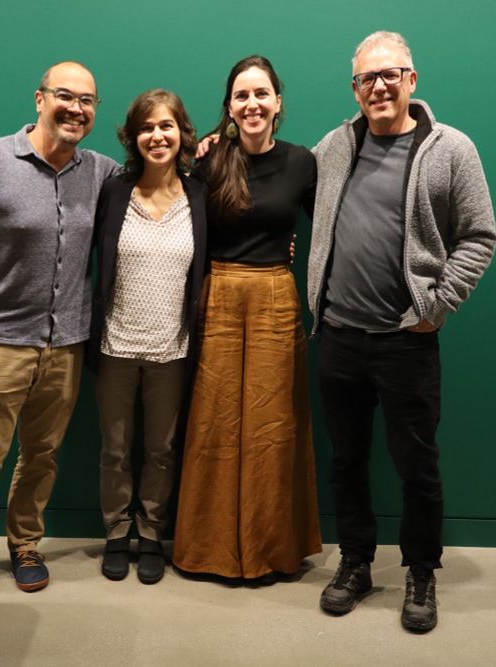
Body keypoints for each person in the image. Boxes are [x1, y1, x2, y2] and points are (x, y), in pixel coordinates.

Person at [308, 31, 496, 630]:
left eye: (392, 75)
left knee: (417, 464)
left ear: (412, 80)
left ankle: (420, 573)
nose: (380, 86)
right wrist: (218, 144)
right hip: (338, 335)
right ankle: (356, 563)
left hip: (406, 340)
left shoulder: (451, 149)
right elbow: (277, 179)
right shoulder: (334, 148)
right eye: (368, 78)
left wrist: (437, 305)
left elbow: (480, 235)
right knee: (346, 459)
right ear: (355, 88)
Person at [0, 61, 118, 601]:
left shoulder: (101, 171)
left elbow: (161, 180)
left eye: (88, 100)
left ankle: (26, 543)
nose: (76, 108)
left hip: (66, 343)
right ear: (39, 99)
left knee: (42, 454)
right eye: (65, 95)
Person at [172, 55, 322, 583]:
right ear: (229, 107)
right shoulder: (209, 161)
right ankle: (207, 547)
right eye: (242, 96)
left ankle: (272, 548)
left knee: (273, 424)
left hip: (277, 298)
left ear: (278, 102)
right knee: (213, 421)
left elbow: (327, 229)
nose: (252, 104)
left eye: (262, 94)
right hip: (218, 293)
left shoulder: (305, 162)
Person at [88, 89, 208, 585]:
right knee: (115, 448)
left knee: (162, 448)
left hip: (173, 348)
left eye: (166, 126)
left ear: (182, 133)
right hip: (115, 345)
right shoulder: (114, 192)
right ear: (133, 137)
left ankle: (152, 533)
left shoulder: (199, 195)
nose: (156, 136)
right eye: (146, 128)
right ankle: (117, 533)